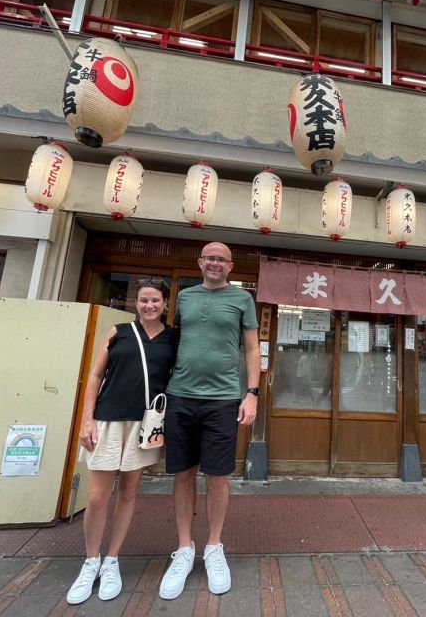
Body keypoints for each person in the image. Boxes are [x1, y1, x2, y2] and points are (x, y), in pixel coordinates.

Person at [159, 242, 260, 600]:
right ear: (200, 262)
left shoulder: (242, 300)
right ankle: (185, 548)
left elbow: (251, 347)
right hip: (181, 396)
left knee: (218, 477)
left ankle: (213, 547)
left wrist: (252, 393)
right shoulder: (184, 297)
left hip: (223, 400)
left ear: (230, 266)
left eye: (222, 259)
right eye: (210, 257)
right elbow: (173, 341)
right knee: (183, 474)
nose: (215, 263)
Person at [66, 279, 178, 605]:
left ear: (165, 304)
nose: (149, 306)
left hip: (144, 424)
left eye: (155, 300)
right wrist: (87, 419)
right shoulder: (119, 332)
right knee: (98, 496)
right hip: (108, 419)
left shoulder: (173, 338)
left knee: (129, 492)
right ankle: (91, 561)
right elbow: (96, 376)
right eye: (143, 300)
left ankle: (112, 559)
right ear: (136, 303)